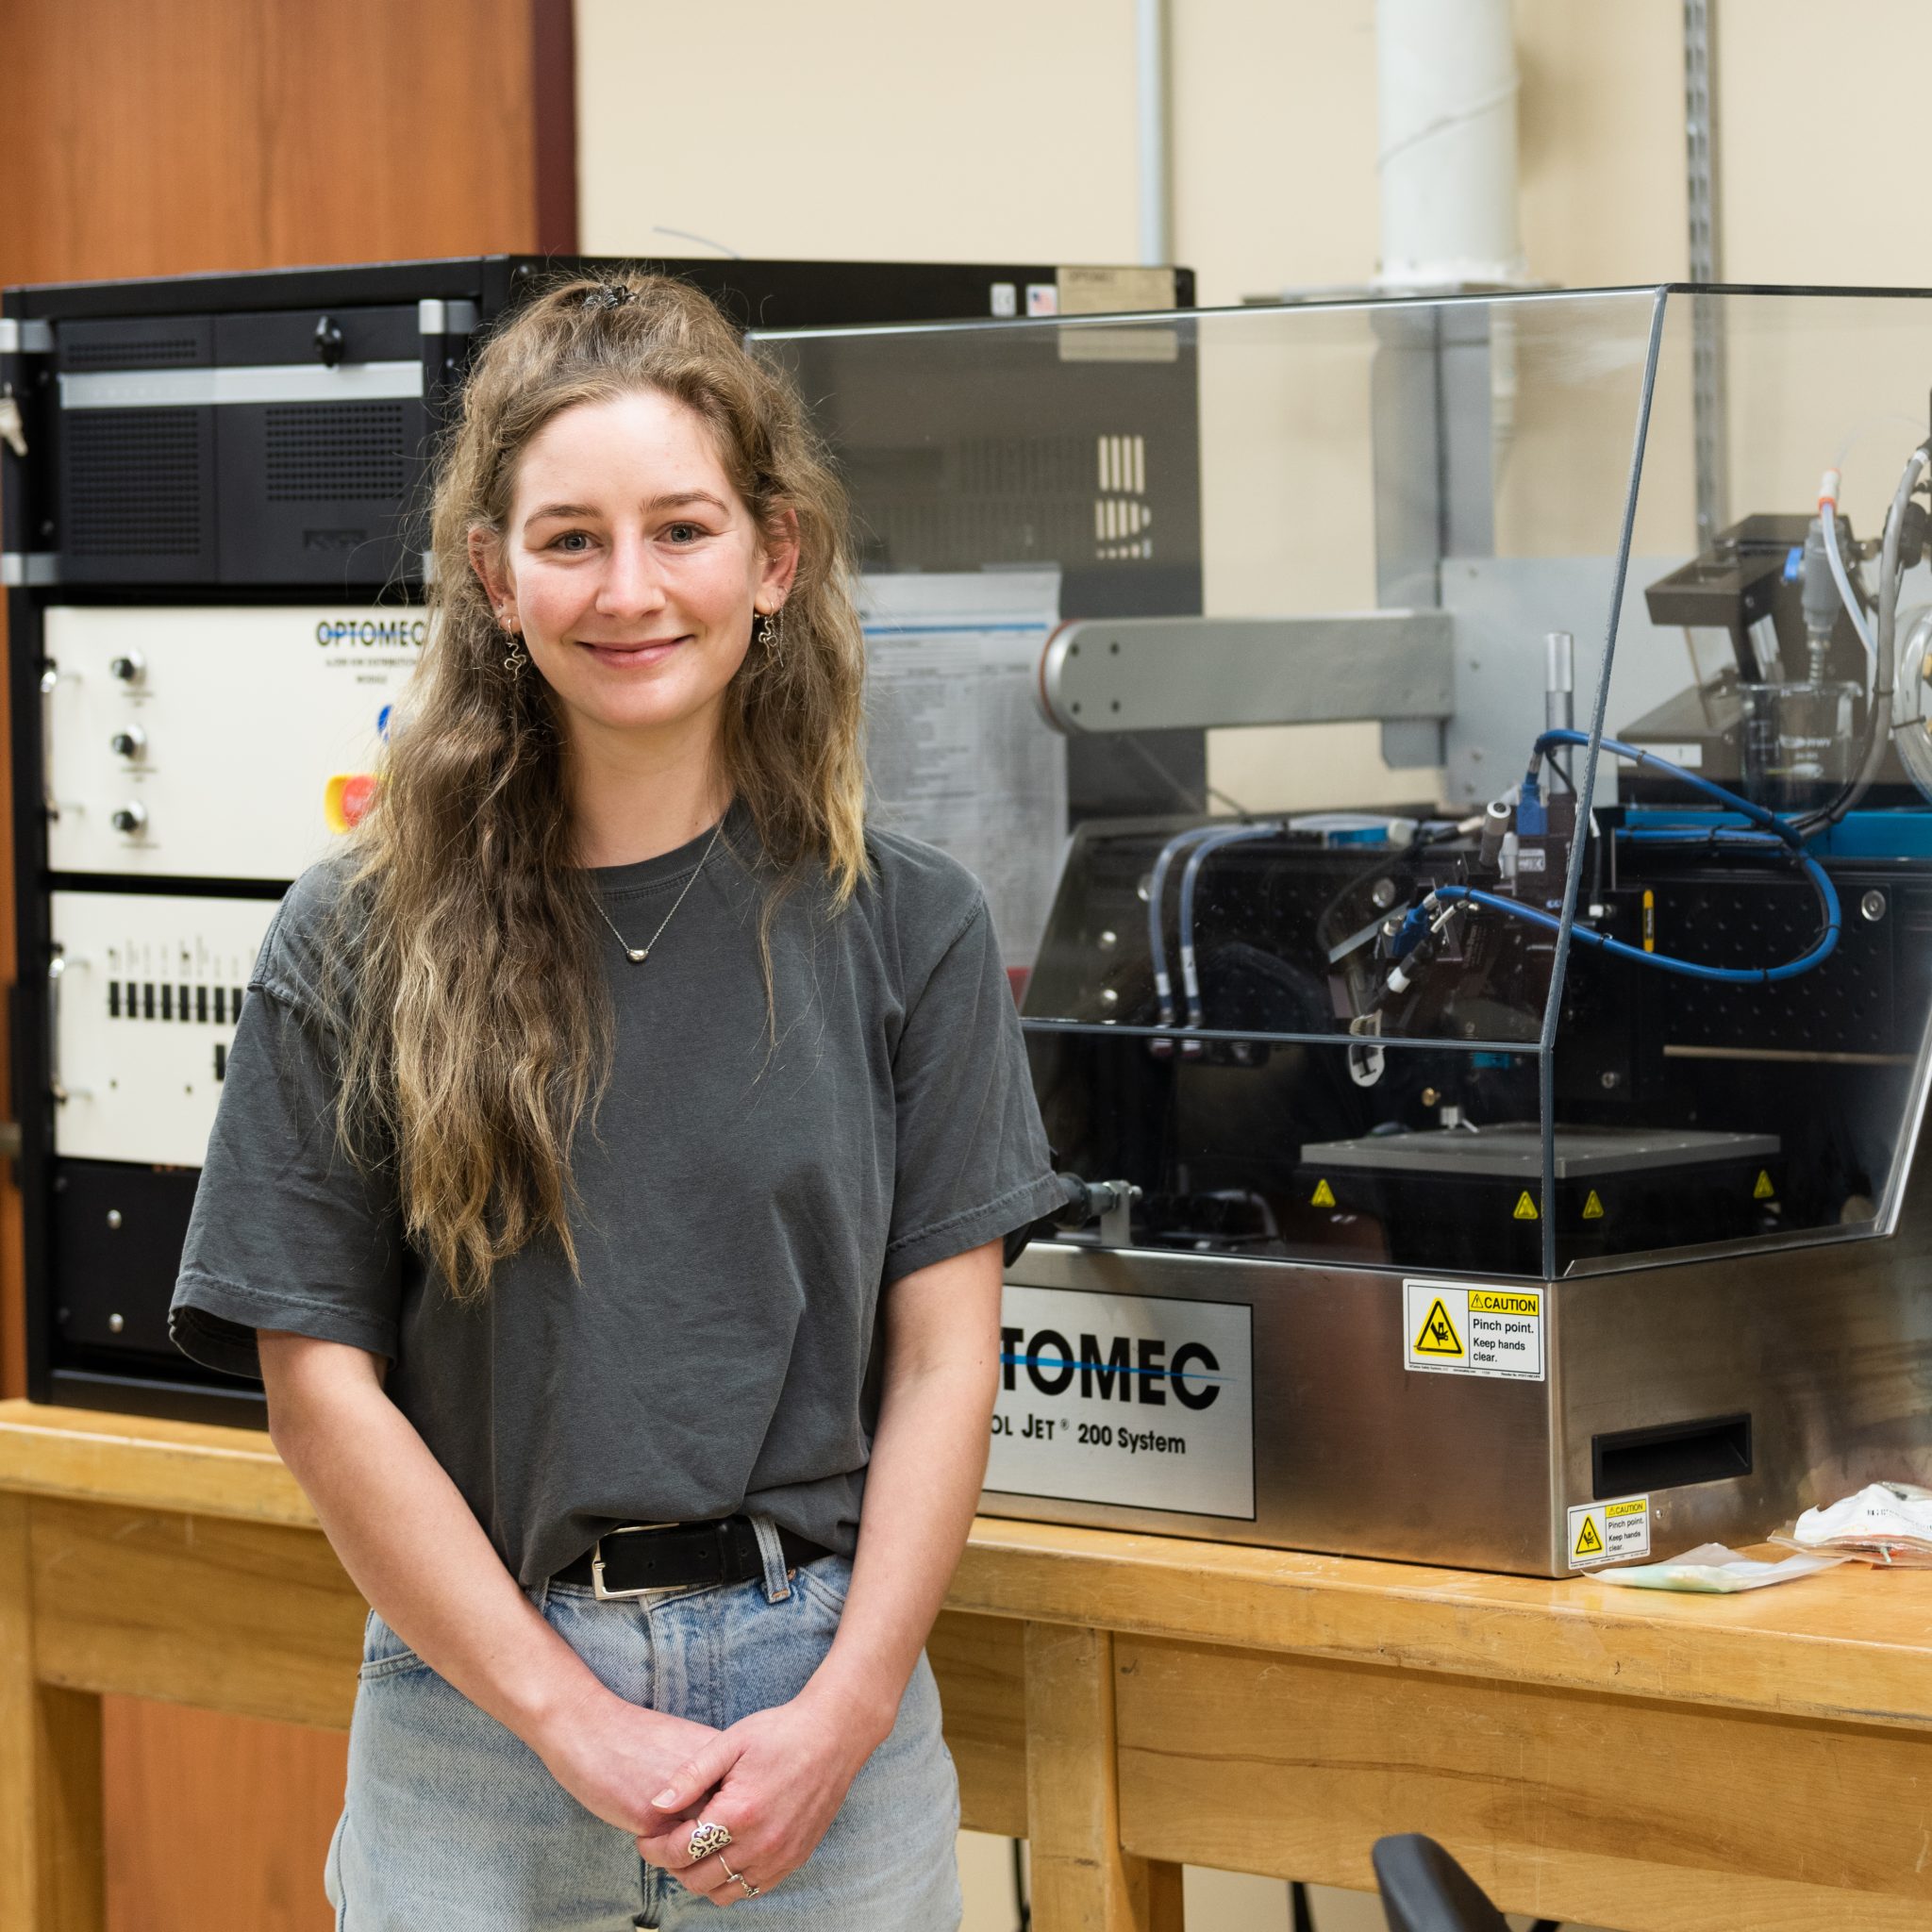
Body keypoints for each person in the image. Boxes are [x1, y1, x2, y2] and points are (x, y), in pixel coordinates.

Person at [168, 273, 1063, 1929]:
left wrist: (845, 1716)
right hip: (474, 1720)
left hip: (826, 1711)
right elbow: (318, 1391)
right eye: (570, 538)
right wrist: (568, 1721)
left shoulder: (909, 924)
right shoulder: (353, 934)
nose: (630, 589)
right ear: (493, 577)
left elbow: (948, 1356)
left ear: (773, 559)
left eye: (683, 529)